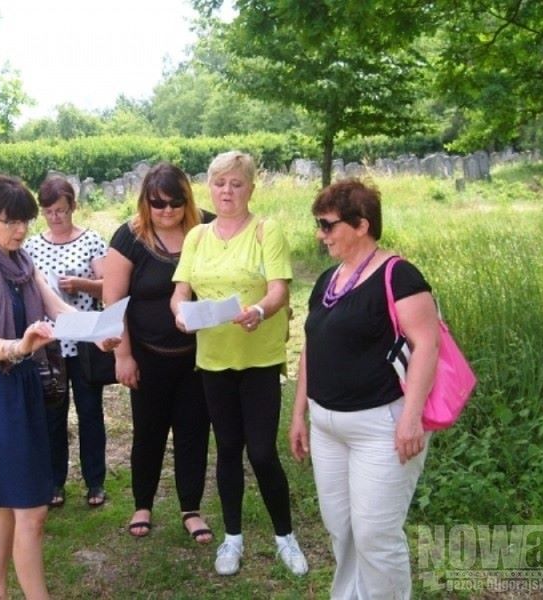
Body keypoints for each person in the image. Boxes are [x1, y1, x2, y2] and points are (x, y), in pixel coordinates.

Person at [0, 174, 119, 599]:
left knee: (14, 503)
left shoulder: (24, 262)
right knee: (32, 510)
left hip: (28, 386)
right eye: (11, 222)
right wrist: (19, 345)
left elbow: (59, 307)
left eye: (25, 221)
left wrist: (96, 333)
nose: (21, 229)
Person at [289, 179, 440, 598]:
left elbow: (427, 345)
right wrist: (300, 413)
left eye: (327, 225)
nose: (320, 235)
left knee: (375, 534)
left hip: (382, 424)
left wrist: (411, 419)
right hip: (327, 425)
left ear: (361, 225)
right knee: (341, 529)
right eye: (318, 225)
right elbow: (311, 347)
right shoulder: (327, 280)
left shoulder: (400, 275)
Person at [171, 150, 308, 577]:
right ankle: (233, 539)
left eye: (236, 183)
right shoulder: (196, 237)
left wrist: (261, 312)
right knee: (228, 448)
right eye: (219, 183)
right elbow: (180, 292)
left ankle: (285, 536)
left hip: (259, 358)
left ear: (250, 187)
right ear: (208, 187)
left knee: (263, 452)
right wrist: (180, 313)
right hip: (213, 360)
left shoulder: (267, 230)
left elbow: (279, 290)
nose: (227, 191)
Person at [103, 162, 214, 544]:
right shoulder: (130, 237)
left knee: (194, 432)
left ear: (188, 199)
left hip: (198, 355)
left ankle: (191, 508)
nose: (166, 210)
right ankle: (143, 504)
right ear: (145, 202)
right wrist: (123, 356)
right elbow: (113, 300)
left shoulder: (207, 230)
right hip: (148, 354)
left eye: (175, 202)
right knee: (148, 432)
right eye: (157, 203)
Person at [25, 176, 108, 509]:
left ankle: (95, 482)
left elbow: (109, 286)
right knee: (52, 416)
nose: (56, 217)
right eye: (49, 212)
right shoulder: (31, 246)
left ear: (73, 206)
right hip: (50, 345)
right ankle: (54, 482)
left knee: (90, 413)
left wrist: (82, 284)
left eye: (61, 210)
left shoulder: (92, 241)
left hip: (85, 341)